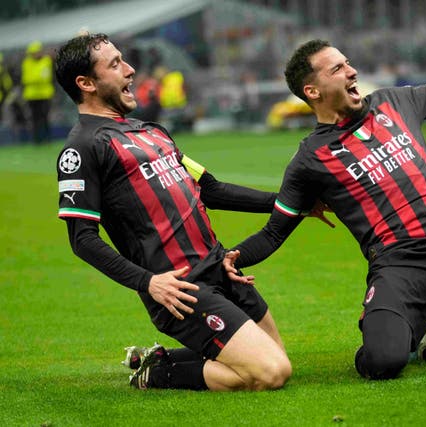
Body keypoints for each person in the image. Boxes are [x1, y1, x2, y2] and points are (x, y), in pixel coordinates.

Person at [224, 23, 426, 380]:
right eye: (337, 69)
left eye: (347, 63)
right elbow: (274, 232)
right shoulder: (310, 159)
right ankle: (392, 329)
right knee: (382, 362)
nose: (352, 71)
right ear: (312, 90)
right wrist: (234, 256)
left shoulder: (395, 102)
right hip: (401, 262)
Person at [54, 33, 306, 392]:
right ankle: (157, 375)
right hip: (181, 289)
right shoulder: (82, 148)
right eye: (114, 65)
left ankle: (157, 359)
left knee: (274, 358)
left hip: (222, 268)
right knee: (271, 373)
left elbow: (211, 190)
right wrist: (149, 283)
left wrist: (291, 203)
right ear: (86, 83)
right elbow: (82, 240)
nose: (130, 70)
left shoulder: (153, 132)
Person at [21, 40, 55, 143]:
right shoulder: (26, 62)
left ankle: (47, 138)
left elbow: (46, 77)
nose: (34, 54)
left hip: (45, 94)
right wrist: (37, 79)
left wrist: (35, 79)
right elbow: (26, 78)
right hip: (31, 95)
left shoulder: (47, 61)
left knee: (45, 117)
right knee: (34, 118)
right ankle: (36, 140)